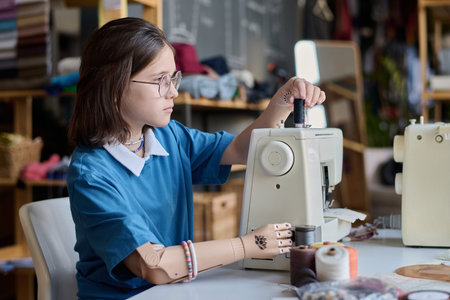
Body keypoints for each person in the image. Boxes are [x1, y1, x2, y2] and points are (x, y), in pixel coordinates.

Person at [67, 17, 326, 300]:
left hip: (172, 292)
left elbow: (241, 150)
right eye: (160, 81)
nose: (174, 91)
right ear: (113, 87)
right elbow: (153, 265)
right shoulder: (91, 173)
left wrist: (282, 100)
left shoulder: (170, 137)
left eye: (174, 78)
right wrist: (247, 246)